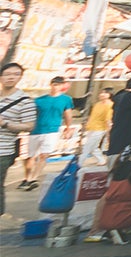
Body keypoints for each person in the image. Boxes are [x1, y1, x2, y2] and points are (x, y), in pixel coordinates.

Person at [83, 135, 131, 243]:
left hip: (108, 213)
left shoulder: (121, 165)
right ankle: (122, 228)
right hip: (126, 211)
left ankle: (118, 230)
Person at [21, 76, 75, 189]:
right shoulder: (39, 100)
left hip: (52, 130)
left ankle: (34, 178)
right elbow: (30, 114)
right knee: (30, 156)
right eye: (55, 84)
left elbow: (68, 114)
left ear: (62, 86)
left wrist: (68, 127)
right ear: (51, 85)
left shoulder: (66, 99)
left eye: (59, 84)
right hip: (36, 130)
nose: (56, 87)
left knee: (44, 155)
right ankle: (27, 178)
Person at [0, 61, 38, 216]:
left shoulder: (25, 101)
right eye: (7, 74)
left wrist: (4, 123)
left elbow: (29, 126)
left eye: (16, 74)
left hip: (3, 151)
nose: (11, 77)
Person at [82, 87, 114, 164]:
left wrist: (108, 132)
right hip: (92, 127)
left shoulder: (110, 105)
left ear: (110, 95)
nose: (102, 94)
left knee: (87, 146)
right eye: (101, 93)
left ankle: (79, 163)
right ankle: (101, 160)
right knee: (93, 147)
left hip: (100, 128)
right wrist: (87, 125)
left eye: (105, 93)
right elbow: (92, 115)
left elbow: (108, 120)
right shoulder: (97, 104)